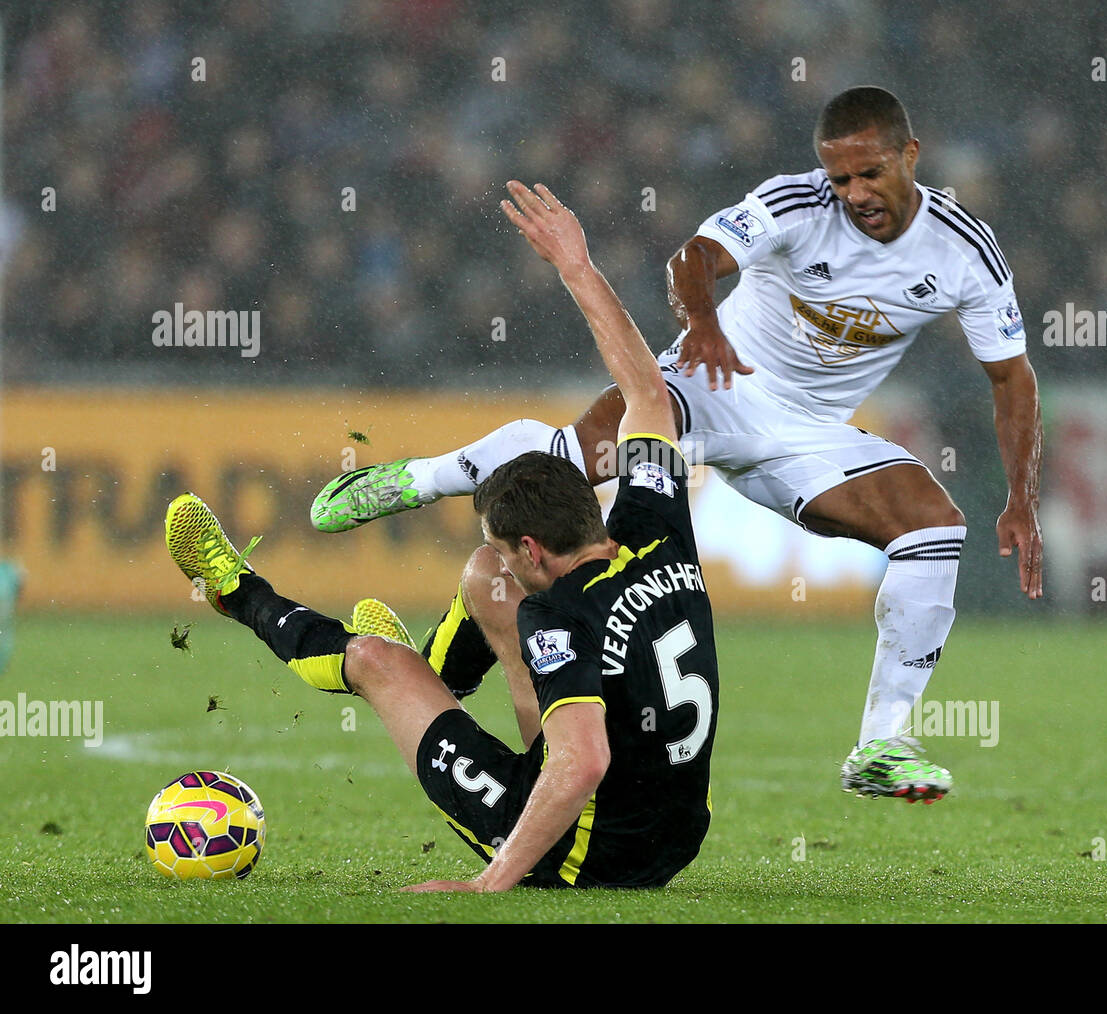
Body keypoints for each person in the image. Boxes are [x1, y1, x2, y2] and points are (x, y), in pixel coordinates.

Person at [312, 86, 1043, 803]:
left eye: (870, 173)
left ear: (909, 155)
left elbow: (1012, 380)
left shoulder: (965, 252)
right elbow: (693, 256)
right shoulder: (795, 205)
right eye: (840, 177)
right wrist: (703, 323)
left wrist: (1020, 499)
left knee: (935, 530)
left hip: (807, 435)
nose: (853, 192)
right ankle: (417, 480)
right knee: (567, 461)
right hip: (709, 382)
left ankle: (882, 741)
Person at [164, 181, 717, 890]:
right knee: (482, 582)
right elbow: (646, 391)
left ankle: (236, 590)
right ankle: (434, 670)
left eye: (509, 549)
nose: (506, 562)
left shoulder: (557, 615)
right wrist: (576, 266)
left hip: (588, 853)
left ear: (537, 550)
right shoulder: (658, 526)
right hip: (675, 835)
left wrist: (493, 882)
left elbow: (582, 764)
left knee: (375, 662)